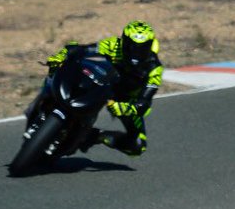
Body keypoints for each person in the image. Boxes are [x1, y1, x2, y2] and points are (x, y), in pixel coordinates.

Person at [28, 20, 163, 156]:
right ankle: (44, 101)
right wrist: (60, 57)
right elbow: (80, 49)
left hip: (125, 100)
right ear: (123, 42)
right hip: (102, 84)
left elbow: (145, 102)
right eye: (131, 47)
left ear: (150, 46)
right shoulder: (113, 45)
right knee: (63, 71)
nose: (135, 54)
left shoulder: (154, 68)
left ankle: (96, 136)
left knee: (138, 145)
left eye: (141, 49)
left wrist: (128, 108)